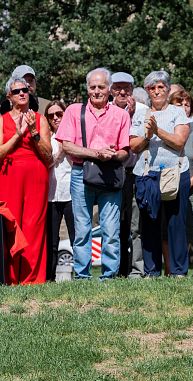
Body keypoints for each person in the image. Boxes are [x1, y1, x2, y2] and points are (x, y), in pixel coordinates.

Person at [57, 68, 130, 280]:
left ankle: (109, 276)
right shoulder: (73, 111)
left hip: (111, 173)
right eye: (92, 87)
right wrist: (95, 153)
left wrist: (113, 155)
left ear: (110, 89)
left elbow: (125, 151)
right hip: (81, 172)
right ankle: (82, 276)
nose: (96, 91)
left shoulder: (121, 115)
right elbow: (68, 146)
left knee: (110, 228)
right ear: (87, 88)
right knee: (82, 228)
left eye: (101, 87)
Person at [130, 70, 190, 277]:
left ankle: (179, 271)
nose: (157, 91)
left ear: (167, 88)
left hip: (176, 172)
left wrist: (157, 131)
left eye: (161, 87)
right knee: (149, 224)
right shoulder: (140, 114)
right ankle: (151, 271)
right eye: (152, 88)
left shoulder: (177, 112)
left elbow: (180, 142)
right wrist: (147, 136)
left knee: (176, 223)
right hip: (147, 174)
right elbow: (134, 146)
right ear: (147, 91)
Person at [0, 76, 52, 285]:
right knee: (11, 224)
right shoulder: (2, 120)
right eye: (17, 91)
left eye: (25, 89)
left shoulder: (40, 119)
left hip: (36, 177)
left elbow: (48, 156)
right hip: (8, 176)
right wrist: (19, 134)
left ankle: (32, 280)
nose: (22, 93)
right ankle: (10, 278)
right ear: (9, 97)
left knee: (33, 226)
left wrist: (33, 132)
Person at [111, 71, 148, 277]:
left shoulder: (143, 110)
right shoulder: (107, 111)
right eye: (118, 87)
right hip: (114, 171)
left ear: (132, 90)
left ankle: (137, 270)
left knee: (136, 225)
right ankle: (116, 269)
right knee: (115, 224)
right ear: (111, 90)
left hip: (137, 172)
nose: (122, 91)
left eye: (126, 87)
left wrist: (132, 115)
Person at [170, 88, 193, 276]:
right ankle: (176, 271)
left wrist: (192, 180)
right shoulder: (167, 131)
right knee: (176, 231)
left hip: (192, 187)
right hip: (170, 188)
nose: (184, 108)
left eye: (187, 105)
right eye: (179, 104)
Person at [45, 100, 74, 281]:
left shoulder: (75, 135)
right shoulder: (46, 138)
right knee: (52, 241)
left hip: (71, 193)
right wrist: (60, 152)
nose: (55, 118)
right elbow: (46, 162)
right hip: (51, 195)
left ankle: (81, 276)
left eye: (59, 114)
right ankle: (49, 277)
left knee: (76, 237)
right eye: (51, 115)